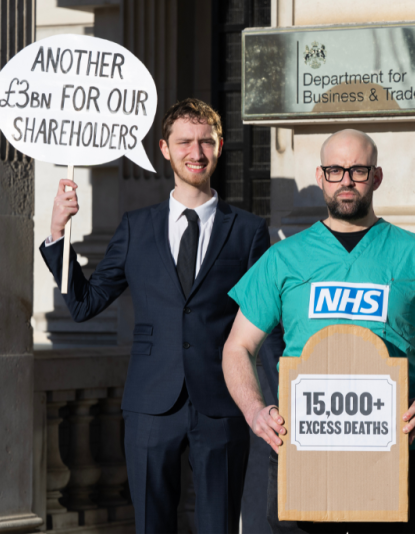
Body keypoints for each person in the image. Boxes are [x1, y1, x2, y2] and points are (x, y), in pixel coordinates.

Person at [40, 98, 283, 533]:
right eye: (185, 142)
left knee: (219, 527)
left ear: (220, 146)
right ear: (165, 149)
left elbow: (265, 322)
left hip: (223, 403)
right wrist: (58, 233)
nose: (196, 152)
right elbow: (83, 304)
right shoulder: (136, 227)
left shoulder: (248, 230)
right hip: (151, 405)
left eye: (206, 141)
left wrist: (279, 398)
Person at [221, 129, 415, 534]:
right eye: (336, 170)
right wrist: (254, 410)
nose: (346, 180)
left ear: (376, 177)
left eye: (358, 169)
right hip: (304, 451)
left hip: (393, 450)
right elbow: (238, 347)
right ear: (320, 176)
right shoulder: (284, 257)